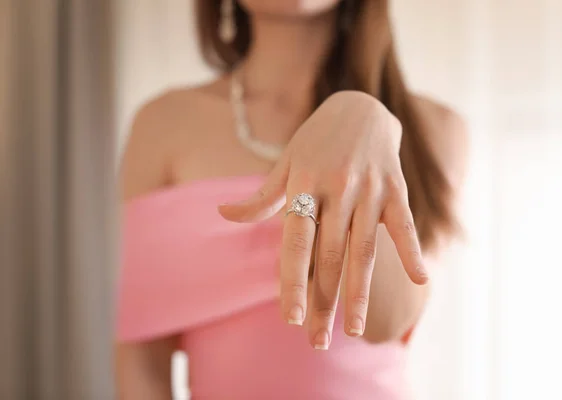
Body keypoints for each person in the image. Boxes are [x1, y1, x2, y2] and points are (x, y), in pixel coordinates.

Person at [115, 0, 468, 398]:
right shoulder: (164, 124)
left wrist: (365, 119)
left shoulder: (433, 128)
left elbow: (388, 321)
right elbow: (142, 360)